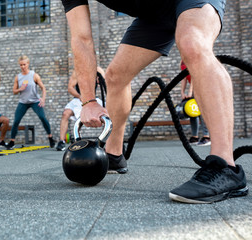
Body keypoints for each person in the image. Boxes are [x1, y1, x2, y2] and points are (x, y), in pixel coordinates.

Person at [61, 1, 248, 203]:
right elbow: (81, 38)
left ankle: (225, 166)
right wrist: (88, 100)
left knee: (192, 42)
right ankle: (113, 155)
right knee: (115, 76)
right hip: (154, 14)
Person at [6, 55, 55, 149]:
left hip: (35, 101)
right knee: (16, 121)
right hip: (23, 102)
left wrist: (43, 99)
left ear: (28, 64)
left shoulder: (34, 75)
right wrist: (20, 89)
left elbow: (43, 88)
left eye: (24, 64)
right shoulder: (18, 77)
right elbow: (14, 91)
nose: (23, 67)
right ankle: (12, 141)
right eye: (21, 65)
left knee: (42, 117)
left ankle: (50, 138)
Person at [56, 67, 104, 152]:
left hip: (93, 99)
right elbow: (70, 87)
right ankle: (61, 141)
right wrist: (80, 96)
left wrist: (100, 80)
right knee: (65, 114)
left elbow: (107, 83)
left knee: (107, 115)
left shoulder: (98, 70)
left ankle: (108, 141)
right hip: (79, 99)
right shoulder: (77, 71)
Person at [180, 61, 211, 146]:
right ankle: (195, 137)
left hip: (202, 87)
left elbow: (195, 75)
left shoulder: (192, 57)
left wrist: (190, 91)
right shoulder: (182, 61)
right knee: (193, 112)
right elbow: (183, 77)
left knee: (202, 112)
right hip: (194, 89)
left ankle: (206, 137)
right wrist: (182, 92)